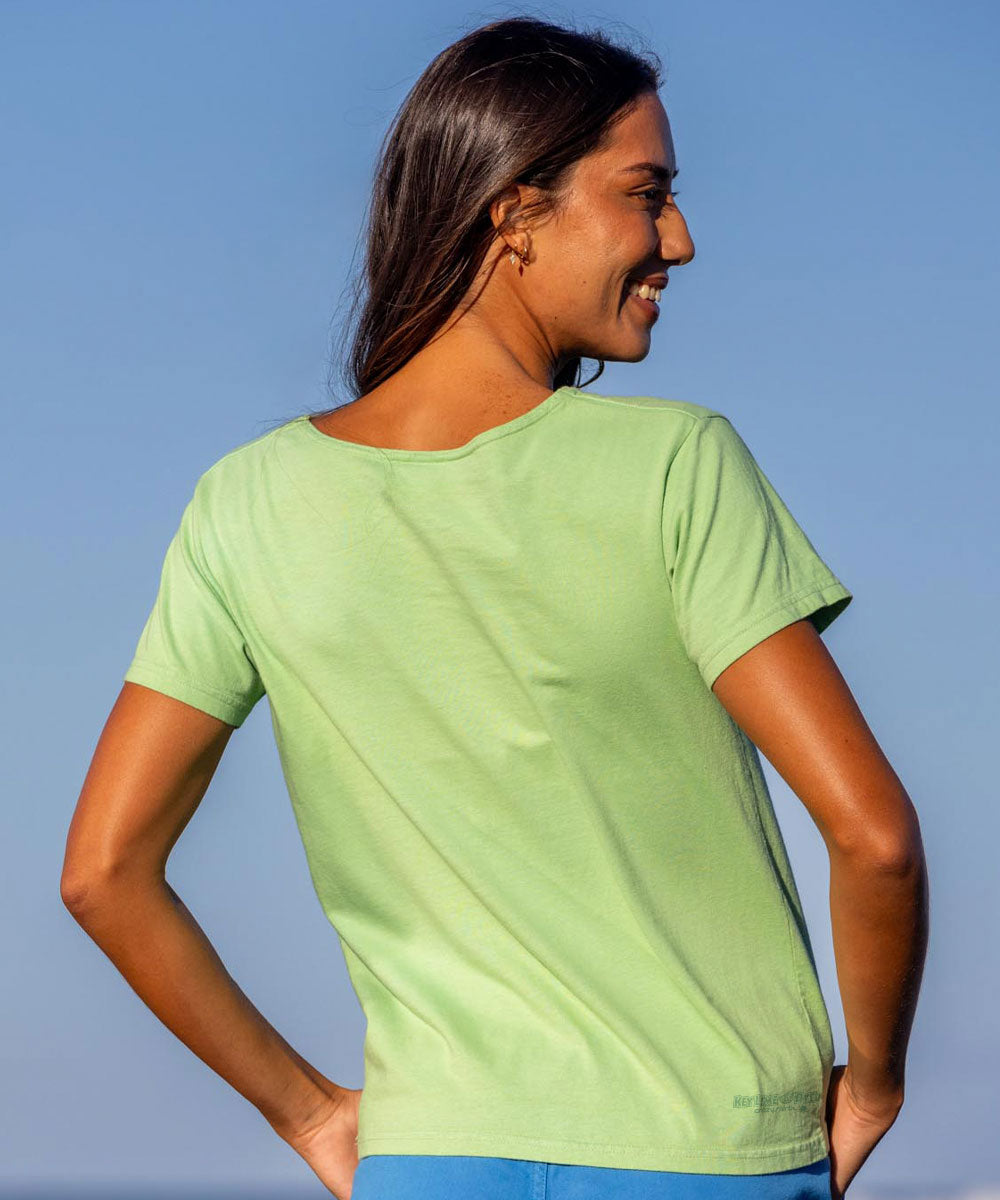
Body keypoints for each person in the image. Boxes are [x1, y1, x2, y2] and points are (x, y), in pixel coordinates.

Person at [61, 16, 927, 1200]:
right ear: (513, 212)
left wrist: (311, 1114)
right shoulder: (674, 466)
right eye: (647, 193)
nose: (680, 239)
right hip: (704, 1147)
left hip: (430, 1158)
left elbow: (103, 873)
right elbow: (873, 837)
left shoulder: (244, 503)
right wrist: (872, 1083)